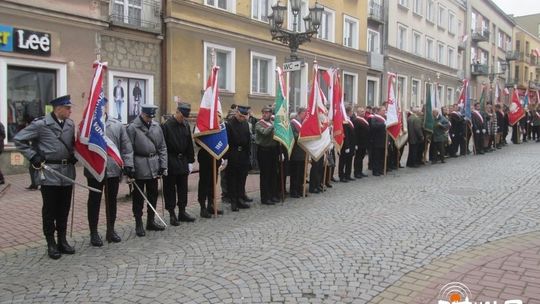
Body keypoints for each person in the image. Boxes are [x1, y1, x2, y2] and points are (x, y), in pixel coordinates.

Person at [14, 95, 77, 259]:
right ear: (58, 109)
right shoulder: (41, 124)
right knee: (50, 210)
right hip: (49, 172)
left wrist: (74, 155)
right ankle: (51, 243)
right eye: (68, 108)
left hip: (67, 172)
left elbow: (72, 145)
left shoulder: (70, 124)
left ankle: (62, 240)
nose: (71, 110)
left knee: (64, 209)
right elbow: (19, 139)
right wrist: (33, 155)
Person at [85, 99, 134, 246]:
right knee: (94, 201)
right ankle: (93, 232)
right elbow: (81, 146)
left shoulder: (117, 124)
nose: (99, 108)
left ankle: (111, 230)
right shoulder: (88, 126)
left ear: (105, 106)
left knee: (112, 201)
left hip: (113, 170)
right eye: (96, 105)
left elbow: (126, 146)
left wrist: (128, 165)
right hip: (95, 170)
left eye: (101, 105)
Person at [126, 104, 168, 237]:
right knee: (138, 197)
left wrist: (163, 165)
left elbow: (162, 147)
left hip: (154, 164)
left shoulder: (156, 126)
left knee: (153, 194)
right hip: (140, 164)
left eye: (151, 117)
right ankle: (138, 222)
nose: (149, 120)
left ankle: (151, 220)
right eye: (147, 117)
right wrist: (130, 168)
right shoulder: (133, 127)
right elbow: (128, 149)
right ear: (142, 114)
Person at [161, 103, 196, 225]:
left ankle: (182, 211)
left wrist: (191, 161)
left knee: (183, 188)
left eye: (185, 117)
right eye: (182, 116)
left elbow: (189, 144)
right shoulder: (166, 126)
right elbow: (162, 146)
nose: (183, 119)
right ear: (177, 112)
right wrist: (163, 164)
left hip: (183, 161)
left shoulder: (185, 125)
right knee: (170, 189)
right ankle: (172, 213)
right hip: (171, 160)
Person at [224, 105, 252, 211]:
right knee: (232, 180)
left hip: (243, 155)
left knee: (241, 179)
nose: (242, 118)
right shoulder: (229, 124)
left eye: (244, 117)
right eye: (240, 116)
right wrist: (226, 157)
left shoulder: (245, 124)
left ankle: (240, 198)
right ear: (236, 113)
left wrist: (248, 154)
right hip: (233, 154)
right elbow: (227, 142)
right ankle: (234, 201)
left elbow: (248, 139)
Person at [255, 105, 281, 204]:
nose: (265, 114)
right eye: (264, 113)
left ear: (271, 114)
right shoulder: (259, 124)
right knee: (265, 175)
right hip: (263, 151)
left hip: (273, 151)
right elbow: (265, 133)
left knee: (273, 174)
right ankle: (265, 197)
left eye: (267, 113)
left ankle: (273, 195)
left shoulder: (272, 123)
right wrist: (274, 125)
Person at [289, 108, 306, 198]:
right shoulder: (293, 123)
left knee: (301, 173)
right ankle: (293, 191)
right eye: (304, 114)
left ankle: (300, 189)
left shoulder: (303, 123)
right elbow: (293, 135)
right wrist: (303, 135)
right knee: (295, 173)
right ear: (299, 113)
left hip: (303, 152)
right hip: (295, 152)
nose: (305, 115)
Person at [338, 106, 355, 182]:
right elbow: (346, 135)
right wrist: (347, 146)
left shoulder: (349, 120)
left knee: (349, 160)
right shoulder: (344, 121)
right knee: (343, 160)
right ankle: (341, 176)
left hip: (351, 144)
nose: (352, 112)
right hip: (345, 145)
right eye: (351, 111)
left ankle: (348, 174)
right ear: (348, 112)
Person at [368, 106, 387, 176]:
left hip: (383, 141)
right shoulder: (374, 118)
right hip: (376, 141)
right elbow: (374, 126)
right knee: (376, 157)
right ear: (378, 111)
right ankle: (375, 171)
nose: (385, 111)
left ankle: (380, 169)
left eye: (385, 110)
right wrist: (384, 124)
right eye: (383, 110)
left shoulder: (385, 118)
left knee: (382, 157)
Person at [352, 107, 369, 178]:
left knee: (361, 157)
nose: (363, 112)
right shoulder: (356, 120)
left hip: (364, 142)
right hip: (359, 143)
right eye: (361, 111)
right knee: (358, 158)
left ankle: (360, 171)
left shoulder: (364, 120)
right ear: (358, 113)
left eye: (363, 111)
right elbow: (355, 133)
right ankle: (356, 172)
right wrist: (355, 144)